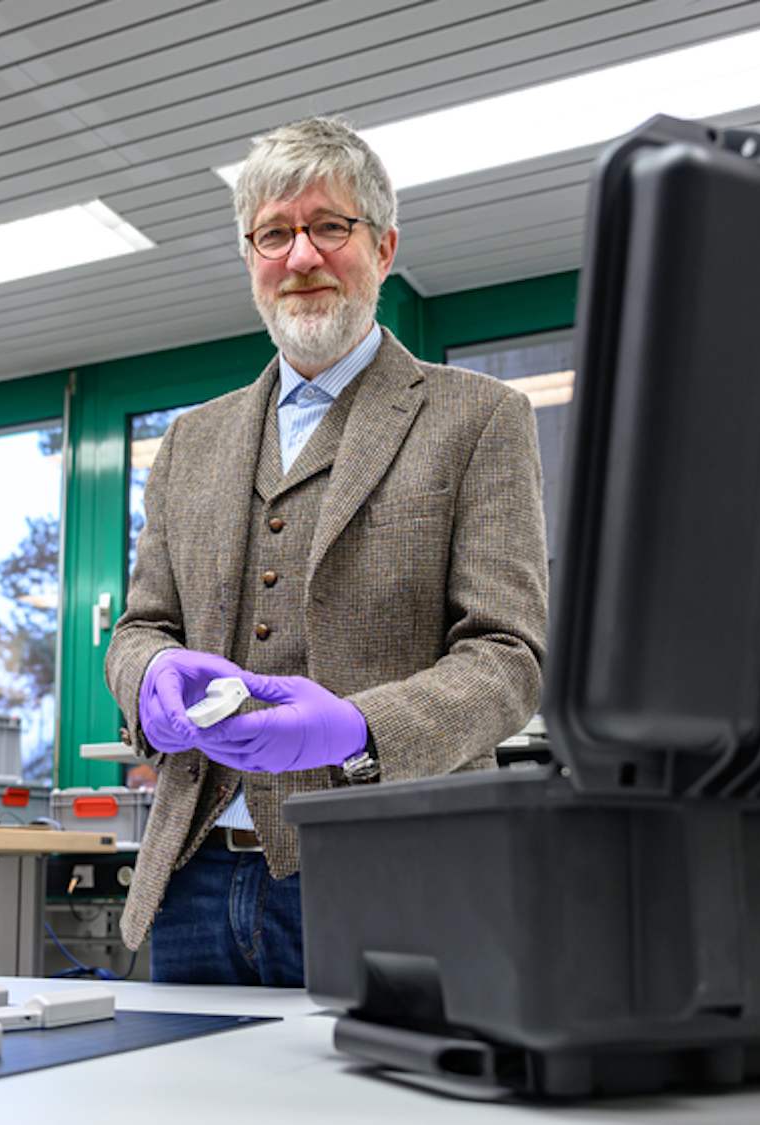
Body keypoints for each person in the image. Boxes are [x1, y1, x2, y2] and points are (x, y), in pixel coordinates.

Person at [104, 116, 549, 986]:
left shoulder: (480, 418)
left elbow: (510, 655)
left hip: (392, 870)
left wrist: (360, 729)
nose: (300, 255)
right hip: (193, 879)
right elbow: (139, 625)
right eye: (274, 233)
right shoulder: (192, 441)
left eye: (328, 227)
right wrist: (144, 678)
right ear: (250, 259)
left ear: (383, 248)